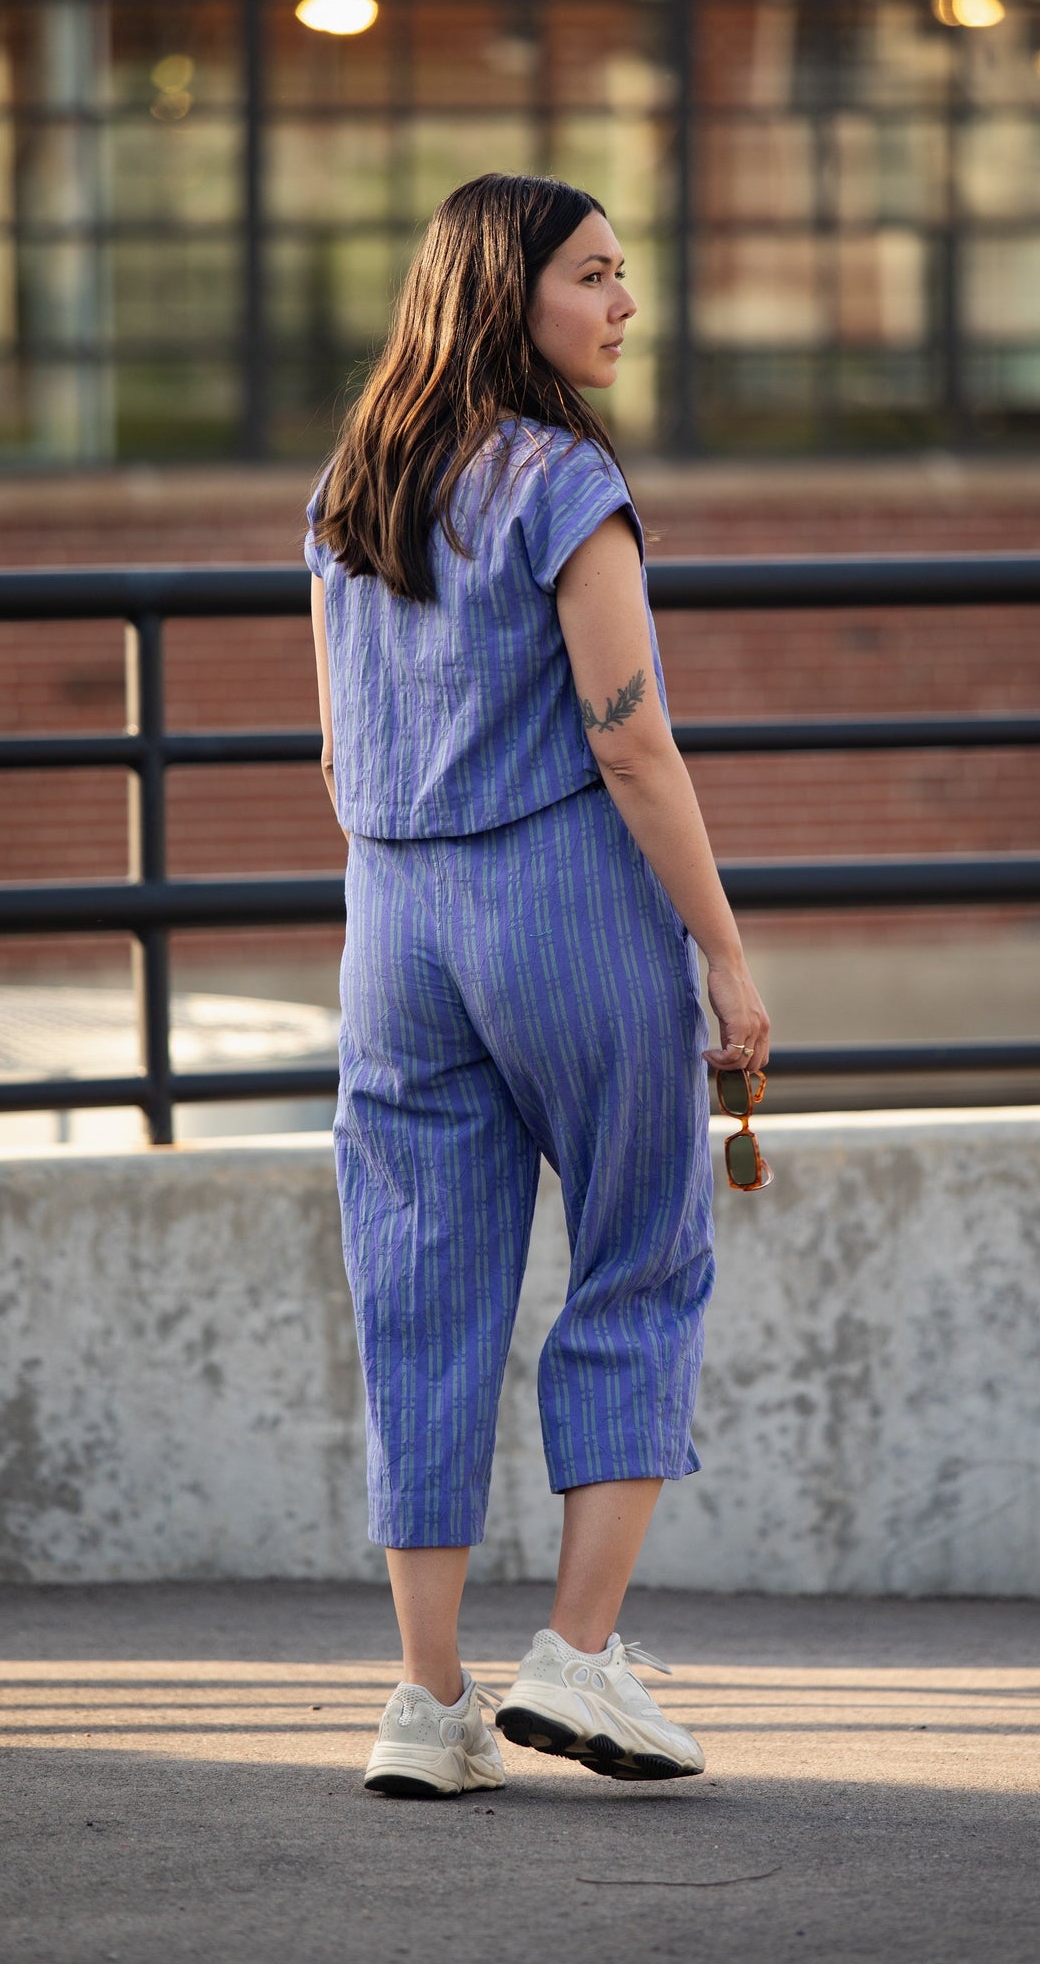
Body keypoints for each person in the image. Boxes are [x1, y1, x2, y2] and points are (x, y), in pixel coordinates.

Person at [306, 172, 770, 1798]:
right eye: (593, 275)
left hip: (392, 929)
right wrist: (722, 950)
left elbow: (334, 745)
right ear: (513, 296)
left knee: (418, 1301)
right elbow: (627, 734)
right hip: (560, 908)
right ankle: (577, 1656)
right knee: (640, 1256)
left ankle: (426, 1706)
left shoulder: (349, 490)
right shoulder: (563, 481)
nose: (623, 303)